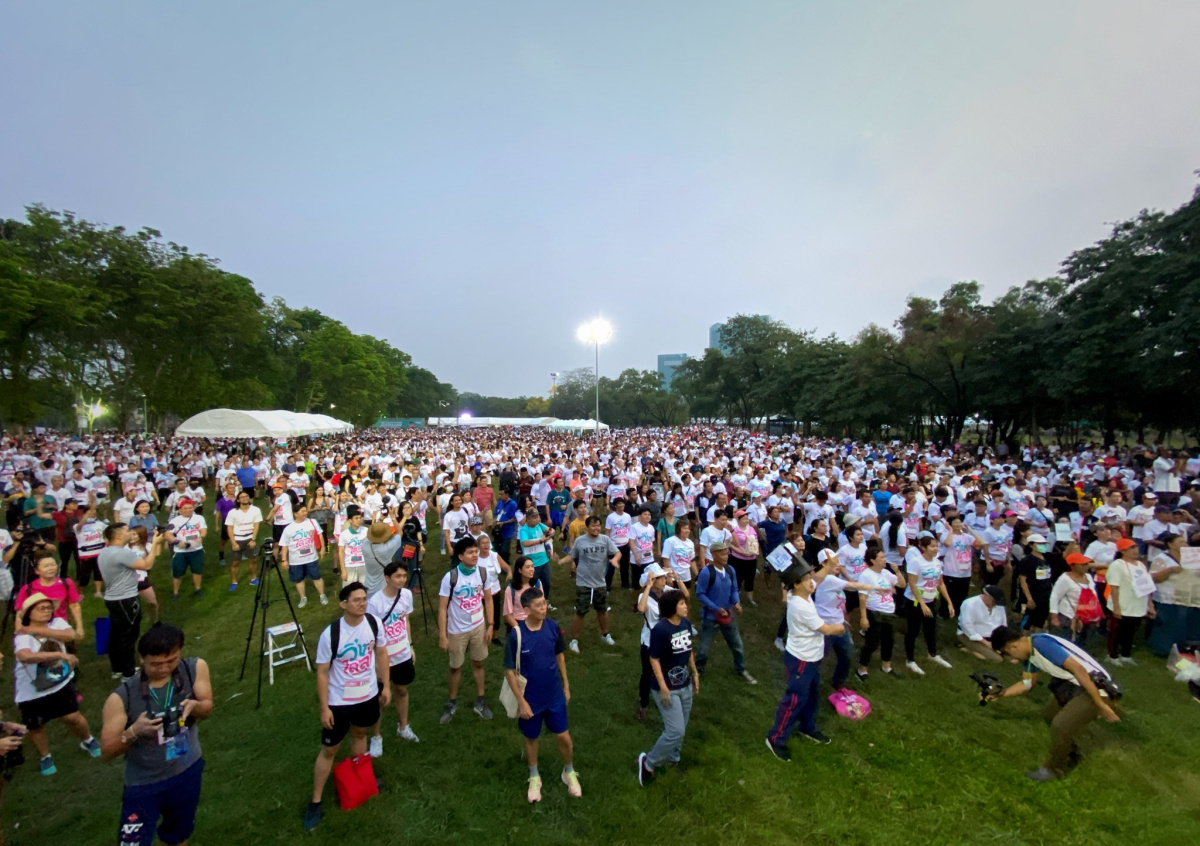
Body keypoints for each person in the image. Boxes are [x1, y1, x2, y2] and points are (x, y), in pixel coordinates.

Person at [101, 622, 214, 846]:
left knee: (178, 835)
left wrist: (196, 707)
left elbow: (208, 707)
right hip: (144, 784)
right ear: (141, 659)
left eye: (171, 661)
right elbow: (107, 751)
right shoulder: (121, 697)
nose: (164, 669)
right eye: (156, 664)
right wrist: (134, 732)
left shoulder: (193, 668)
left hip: (187, 772)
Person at [304, 582, 390, 832]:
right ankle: (316, 801)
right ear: (343, 604)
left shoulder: (373, 623)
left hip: (367, 695)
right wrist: (324, 708)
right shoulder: (331, 634)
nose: (362, 603)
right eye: (356, 600)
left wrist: (385, 686)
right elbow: (322, 673)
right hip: (339, 702)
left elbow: (382, 653)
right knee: (330, 749)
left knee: (361, 734)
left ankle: (361, 780)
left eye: (364, 599)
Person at [987, 625, 1120, 782]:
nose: (1012, 659)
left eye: (1007, 654)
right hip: (1075, 686)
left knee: (1060, 725)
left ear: (1012, 647)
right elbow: (1027, 684)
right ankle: (1070, 753)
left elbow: (1079, 669)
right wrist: (1000, 694)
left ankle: (1053, 770)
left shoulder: (1042, 644)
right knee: (1050, 715)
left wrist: (1100, 704)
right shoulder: (1030, 655)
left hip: (1096, 688)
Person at [504, 587, 580, 803]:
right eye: (539, 605)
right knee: (531, 737)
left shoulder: (553, 627)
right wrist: (521, 702)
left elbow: (559, 655)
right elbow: (509, 671)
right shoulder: (516, 636)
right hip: (530, 699)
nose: (544, 608)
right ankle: (534, 776)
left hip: (554, 694)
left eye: (545, 603)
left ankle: (569, 771)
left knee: (563, 737)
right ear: (527, 610)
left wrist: (566, 685)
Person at [12, 592, 101, 776]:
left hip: (60, 683)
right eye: (41, 608)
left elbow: (71, 635)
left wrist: (37, 631)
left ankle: (88, 740)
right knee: (36, 726)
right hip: (32, 691)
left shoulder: (57, 623)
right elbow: (25, 656)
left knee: (73, 717)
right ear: (29, 613)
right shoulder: (22, 637)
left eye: (48, 608)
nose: (47, 611)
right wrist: (60, 655)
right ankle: (45, 756)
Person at [766, 561, 845, 759]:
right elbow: (826, 629)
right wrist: (840, 627)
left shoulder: (802, 593)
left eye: (810, 577)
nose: (812, 581)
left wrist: (828, 566)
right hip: (801, 659)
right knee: (794, 700)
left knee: (811, 694)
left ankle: (807, 727)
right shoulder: (800, 606)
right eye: (807, 579)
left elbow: (818, 578)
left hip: (812, 657)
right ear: (796, 584)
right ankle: (775, 738)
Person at [636, 589, 699, 786]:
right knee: (676, 731)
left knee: (682, 726)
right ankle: (648, 762)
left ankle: (673, 757)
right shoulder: (660, 630)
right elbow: (654, 659)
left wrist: (695, 673)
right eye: (682, 604)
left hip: (684, 684)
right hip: (667, 687)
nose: (686, 606)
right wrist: (663, 687)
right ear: (672, 607)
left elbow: (688, 649)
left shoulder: (686, 624)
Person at [436, 536, 499, 723]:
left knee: (479, 663)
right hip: (457, 630)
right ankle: (452, 702)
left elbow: (488, 599)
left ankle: (481, 700)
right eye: (470, 552)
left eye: (476, 551)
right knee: (455, 667)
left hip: (478, 627)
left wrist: (490, 625)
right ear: (460, 556)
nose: (475, 555)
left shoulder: (482, 573)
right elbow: (442, 608)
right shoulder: (450, 577)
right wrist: (443, 636)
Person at [98, 523, 164, 680]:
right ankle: (128, 672)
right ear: (119, 535)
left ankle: (117, 668)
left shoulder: (105, 552)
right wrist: (155, 543)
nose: (130, 532)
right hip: (125, 599)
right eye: (127, 530)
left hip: (112, 598)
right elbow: (147, 565)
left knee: (116, 634)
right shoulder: (121, 553)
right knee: (128, 635)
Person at [367, 561, 419, 755]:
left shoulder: (406, 595)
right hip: (383, 658)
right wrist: (375, 662)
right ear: (387, 578)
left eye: (404, 576)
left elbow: (406, 621)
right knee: (381, 697)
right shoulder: (375, 603)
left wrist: (410, 645)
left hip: (402, 653)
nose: (402, 580)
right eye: (398, 576)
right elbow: (370, 634)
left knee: (402, 690)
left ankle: (403, 726)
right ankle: (376, 736)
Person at [693, 541, 756, 684]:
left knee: (737, 645)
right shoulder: (706, 572)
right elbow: (700, 594)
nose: (726, 556)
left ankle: (741, 669)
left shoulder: (730, 570)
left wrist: (736, 602)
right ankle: (698, 671)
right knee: (703, 648)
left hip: (728, 615)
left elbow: (734, 589)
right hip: (710, 617)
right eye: (722, 554)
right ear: (713, 554)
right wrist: (716, 608)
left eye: (726, 553)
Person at [636, 563, 688, 721]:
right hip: (650, 640)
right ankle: (643, 704)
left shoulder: (667, 592)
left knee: (667, 668)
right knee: (647, 673)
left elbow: (685, 595)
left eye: (664, 577)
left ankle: (669, 693)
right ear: (652, 580)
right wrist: (647, 587)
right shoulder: (644, 595)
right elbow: (641, 609)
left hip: (668, 638)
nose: (665, 580)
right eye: (661, 578)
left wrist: (677, 579)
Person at [563, 516, 620, 654]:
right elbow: (572, 555)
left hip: (600, 582)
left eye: (598, 525)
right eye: (593, 526)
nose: (596, 528)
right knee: (580, 611)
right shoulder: (580, 541)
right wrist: (561, 561)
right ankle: (574, 640)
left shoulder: (605, 540)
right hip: (583, 582)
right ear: (587, 527)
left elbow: (617, 552)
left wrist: (615, 559)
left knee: (602, 610)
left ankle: (605, 635)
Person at [903, 535, 956, 675]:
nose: (935, 549)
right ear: (923, 547)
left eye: (936, 546)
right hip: (914, 602)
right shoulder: (916, 562)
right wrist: (922, 604)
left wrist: (949, 602)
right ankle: (910, 660)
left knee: (931, 629)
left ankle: (932, 654)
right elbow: (912, 583)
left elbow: (940, 583)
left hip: (930, 600)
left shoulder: (937, 562)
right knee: (913, 631)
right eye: (932, 546)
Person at [1104, 538, 1154, 666]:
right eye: (1130, 548)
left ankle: (1126, 654)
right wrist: (1116, 607)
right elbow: (1114, 587)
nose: (1135, 551)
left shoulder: (1141, 565)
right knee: (1117, 632)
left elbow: (1147, 586)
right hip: (1123, 603)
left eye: (1135, 547)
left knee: (1131, 631)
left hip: (1138, 604)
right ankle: (1113, 655)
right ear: (1122, 551)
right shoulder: (1117, 565)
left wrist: (1149, 604)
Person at [15, 553, 83, 639]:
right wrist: (19, 629)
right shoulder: (28, 588)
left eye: (53, 565)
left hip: (60, 627)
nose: (50, 568)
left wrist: (79, 627)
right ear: (37, 571)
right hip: (37, 628)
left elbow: (74, 605)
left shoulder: (66, 583)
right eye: (46, 566)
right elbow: (20, 611)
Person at [856, 547, 900, 679]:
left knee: (889, 640)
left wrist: (897, 571)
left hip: (889, 612)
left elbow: (902, 584)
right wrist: (864, 617)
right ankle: (862, 669)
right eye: (881, 557)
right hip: (874, 612)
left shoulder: (886, 573)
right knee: (872, 642)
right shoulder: (866, 575)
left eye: (884, 557)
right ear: (872, 560)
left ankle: (886, 666)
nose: (884, 559)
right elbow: (862, 597)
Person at [278, 503, 327, 608]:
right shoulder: (288, 529)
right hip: (296, 560)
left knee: (316, 577)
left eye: (305, 511)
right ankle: (303, 597)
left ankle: (322, 595)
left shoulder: (312, 522)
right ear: (295, 514)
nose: (305, 513)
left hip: (311, 558)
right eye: (303, 511)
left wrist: (323, 547)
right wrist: (284, 560)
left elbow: (320, 534)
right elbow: (284, 545)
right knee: (299, 579)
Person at [1049, 553, 1104, 645]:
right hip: (1069, 616)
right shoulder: (1065, 579)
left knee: (1083, 642)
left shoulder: (1088, 577)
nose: (1086, 566)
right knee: (1067, 642)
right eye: (1082, 564)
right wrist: (1054, 617)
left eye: (1086, 564)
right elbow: (1055, 596)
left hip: (1086, 616)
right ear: (1072, 566)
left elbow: (1093, 594)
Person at [164, 498, 207, 600]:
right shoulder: (174, 521)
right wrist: (178, 542)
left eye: (190, 508)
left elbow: (203, 530)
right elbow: (167, 534)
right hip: (180, 552)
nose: (188, 510)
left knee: (197, 571)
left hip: (196, 550)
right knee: (178, 573)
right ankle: (175, 593)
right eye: (185, 508)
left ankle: (197, 589)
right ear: (179, 510)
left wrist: (201, 537)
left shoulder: (199, 518)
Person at [956, 585, 1008, 662]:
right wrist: (986, 643)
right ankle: (967, 649)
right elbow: (967, 627)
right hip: (971, 636)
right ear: (987, 597)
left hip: (993, 637)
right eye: (994, 602)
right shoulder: (970, 604)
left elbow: (1003, 624)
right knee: (998, 659)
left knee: (1010, 655)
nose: (996, 604)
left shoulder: (999, 606)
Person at [224, 489, 263, 591]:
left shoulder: (255, 510)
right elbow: (229, 528)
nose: (245, 498)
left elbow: (256, 525)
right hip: (237, 539)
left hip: (250, 538)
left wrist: (253, 539)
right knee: (235, 562)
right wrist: (233, 543)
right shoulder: (233, 512)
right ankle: (234, 582)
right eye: (242, 497)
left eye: (246, 496)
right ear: (238, 500)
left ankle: (254, 578)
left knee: (253, 560)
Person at [1016, 533, 1054, 631]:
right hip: (1034, 594)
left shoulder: (1046, 559)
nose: (1042, 546)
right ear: (1031, 545)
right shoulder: (1027, 560)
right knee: (1027, 622)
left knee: (1040, 623)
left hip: (1045, 595)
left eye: (1044, 544)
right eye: (1039, 543)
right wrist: (1029, 598)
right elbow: (1023, 580)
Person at [518, 508, 554, 609]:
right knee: (532, 585)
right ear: (528, 519)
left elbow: (551, 530)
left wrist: (551, 532)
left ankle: (544, 601)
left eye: (537, 516)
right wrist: (540, 541)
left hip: (544, 561)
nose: (537, 519)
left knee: (546, 583)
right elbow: (525, 543)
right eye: (534, 517)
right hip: (532, 563)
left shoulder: (540, 525)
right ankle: (532, 604)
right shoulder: (524, 530)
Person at [728, 509, 761, 607]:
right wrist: (741, 552)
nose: (746, 520)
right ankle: (735, 598)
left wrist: (756, 550)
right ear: (738, 520)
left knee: (750, 578)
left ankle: (750, 598)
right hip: (738, 558)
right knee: (737, 578)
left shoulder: (751, 529)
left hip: (751, 559)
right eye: (744, 519)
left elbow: (756, 541)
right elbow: (730, 544)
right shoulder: (734, 530)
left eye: (747, 518)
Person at [502, 556, 542, 630]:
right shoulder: (511, 589)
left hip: (536, 621)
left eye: (532, 566)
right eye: (527, 567)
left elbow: (542, 605)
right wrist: (519, 628)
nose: (531, 569)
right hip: (519, 623)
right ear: (520, 570)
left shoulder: (537, 583)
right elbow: (507, 614)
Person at [336, 504, 369, 588]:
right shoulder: (344, 534)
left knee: (364, 589)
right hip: (349, 565)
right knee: (349, 590)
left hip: (363, 564)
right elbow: (341, 552)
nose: (359, 520)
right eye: (356, 518)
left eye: (360, 518)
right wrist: (343, 570)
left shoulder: (366, 531)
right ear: (350, 520)